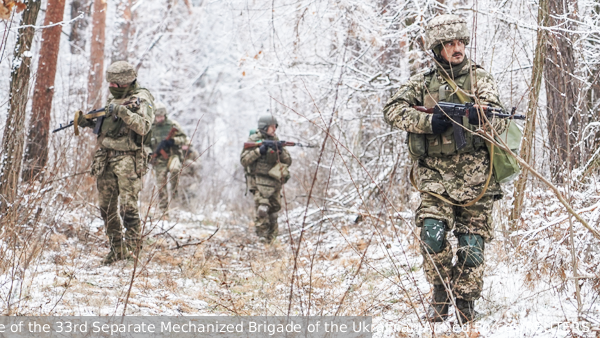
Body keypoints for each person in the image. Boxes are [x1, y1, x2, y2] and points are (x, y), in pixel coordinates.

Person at [383, 14, 508, 323]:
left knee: (471, 244)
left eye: (461, 43)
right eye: (450, 43)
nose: (457, 48)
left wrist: (484, 118)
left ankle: (465, 304)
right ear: (438, 48)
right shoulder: (422, 83)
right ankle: (440, 292)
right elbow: (392, 109)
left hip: (477, 178)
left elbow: (501, 118)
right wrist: (429, 122)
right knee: (432, 235)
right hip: (434, 178)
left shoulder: (480, 80)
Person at [78, 61, 155, 265]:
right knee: (106, 207)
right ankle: (117, 249)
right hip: (106, 157)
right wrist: (89, 122)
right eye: (110, 83)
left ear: (127, 82)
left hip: (128, 159)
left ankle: (132, 250)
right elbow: (110, 127)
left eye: (116, 84)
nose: (112, 87)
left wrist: (123, 112)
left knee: (128, 207)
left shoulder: (142, 98)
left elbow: (143, 127)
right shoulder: (115, 98)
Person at [240, 115, 292, 243]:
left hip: (273, 182)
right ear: (264, 127)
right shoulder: (254, 140)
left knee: (274, 211)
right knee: (262, 210)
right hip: (258, 181)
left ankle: (272, 239)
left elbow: (288, 161)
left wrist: (280, 152)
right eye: (271, 127)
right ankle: (262, 240)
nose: (274, 130)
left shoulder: (276, 140)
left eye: (275, 127)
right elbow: (244, 160)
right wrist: (259, 151)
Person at [150, 102, 189, 214]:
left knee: (175, 170)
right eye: (157, 117)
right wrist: (150, 154)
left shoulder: (172, 125)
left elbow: (184, 139)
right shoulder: (151, 127)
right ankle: (164, 210)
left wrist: (173, 141)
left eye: (161, 116)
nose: (159, 119)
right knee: (161, 186)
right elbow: (145, 144)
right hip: (159, 160)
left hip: (173, 155)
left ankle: (175, 192)